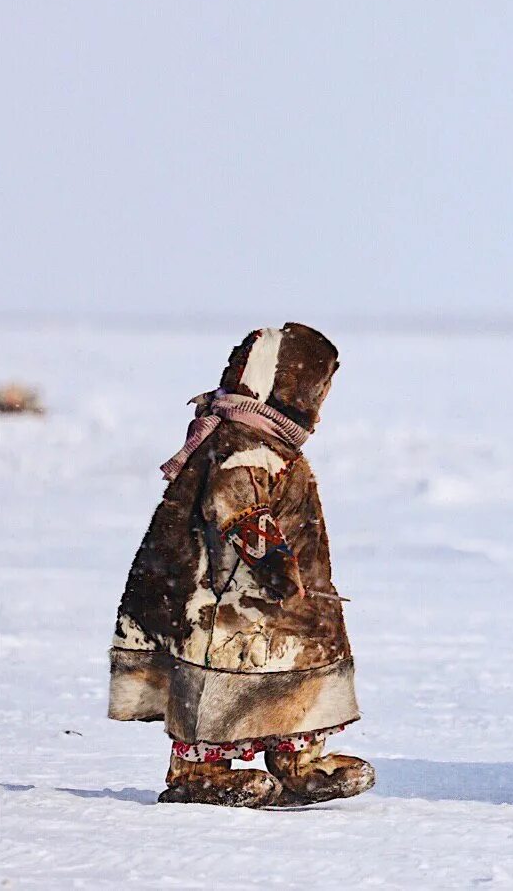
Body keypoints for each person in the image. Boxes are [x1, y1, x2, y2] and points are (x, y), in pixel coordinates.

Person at [108, 323, 375, 807]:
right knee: (221, 676)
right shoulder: (244, 443)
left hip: (277, 602)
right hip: (228, 598)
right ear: (295, 386)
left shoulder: (262, 440)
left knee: (296, 664)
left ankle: (297, 759)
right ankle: (199, 770)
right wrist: (273, 563)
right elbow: (234, 502)